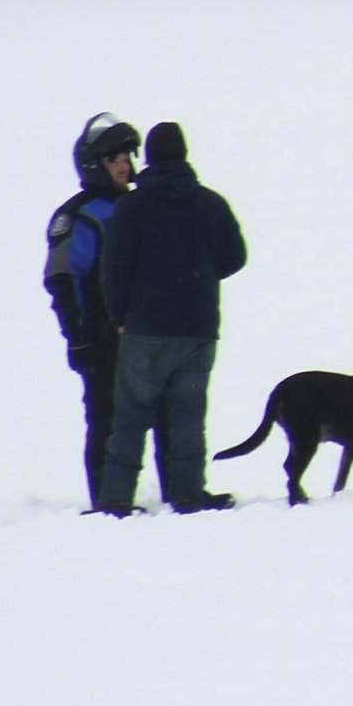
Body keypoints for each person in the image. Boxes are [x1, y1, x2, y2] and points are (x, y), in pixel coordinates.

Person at [97, 121, 248, 514]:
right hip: (198, 331)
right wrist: (198, 276)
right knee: (187, 418)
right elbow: (236, 257)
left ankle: (115, 500)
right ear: (184, 155)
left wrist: (120, 315)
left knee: (130, 419)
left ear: (148, 158)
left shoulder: (132, 207)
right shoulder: (211, 203)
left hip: (144, 330)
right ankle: (187, 495)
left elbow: (113, 269)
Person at [44, 113, 148, 511]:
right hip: (101, 336)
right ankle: (108, 501)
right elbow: (62, 279)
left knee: (146, 418)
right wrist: (79, 335)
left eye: (127, 156)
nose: (124, 165)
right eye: (114, 158)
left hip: (143, 333)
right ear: (94, 165)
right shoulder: (79, 216)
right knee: (107, 419)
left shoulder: (140, 205)